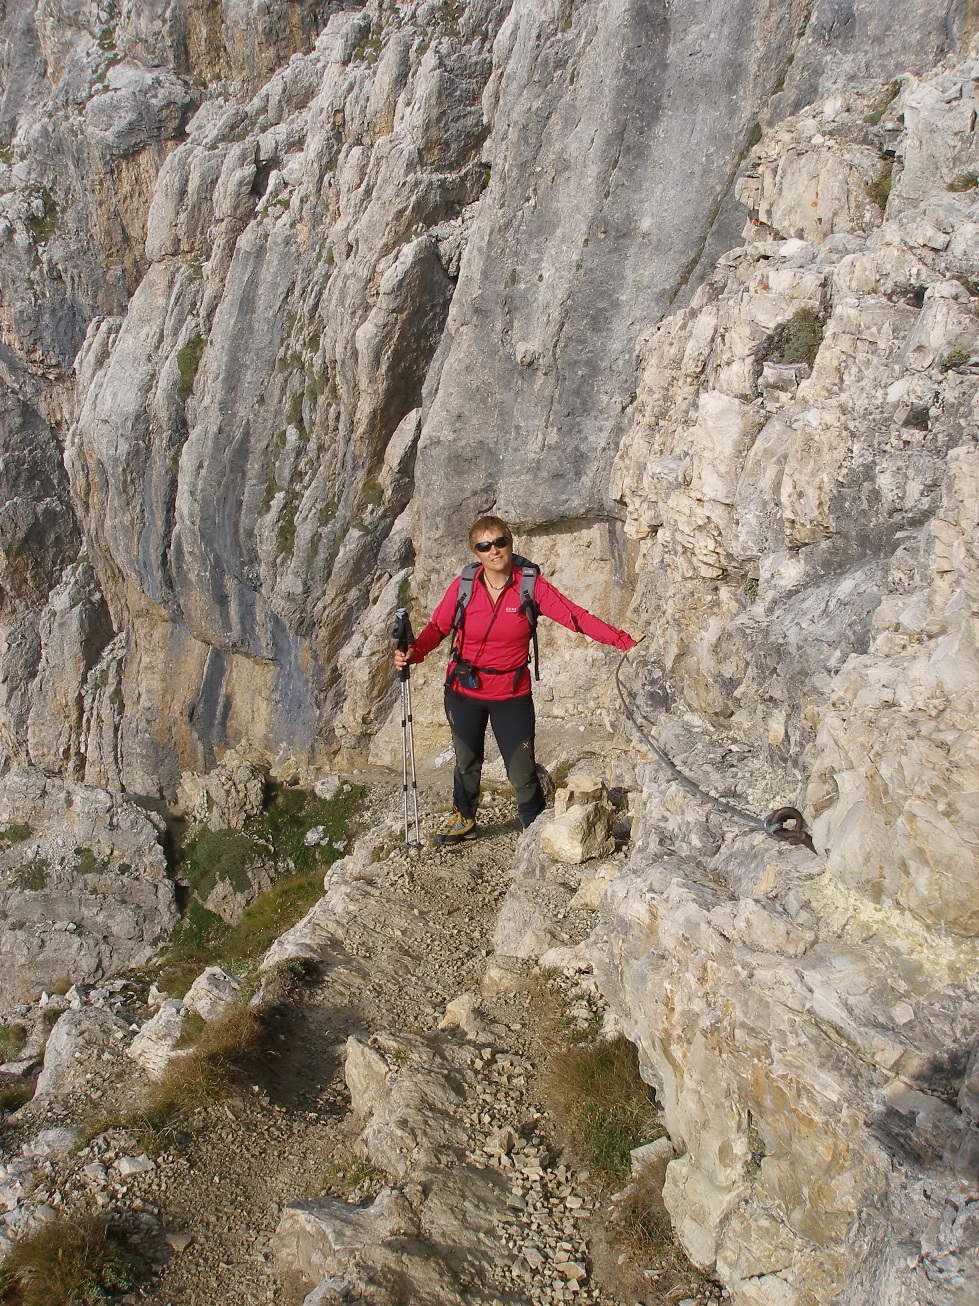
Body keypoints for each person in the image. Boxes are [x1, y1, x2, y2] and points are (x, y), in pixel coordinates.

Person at [393, 515, 637, 844]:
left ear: (510, 542)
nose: (494, 550)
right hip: (463, 691)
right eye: (485, 546)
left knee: (521, 768)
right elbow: (438, 627)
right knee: (466, 760)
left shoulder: (529, 585)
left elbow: (574, 616)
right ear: (476, 553)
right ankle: (465, 818)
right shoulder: (464, 586)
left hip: (511, 695)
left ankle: (532, 826)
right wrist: (414, 653)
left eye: (500, 542)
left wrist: (622, 641)